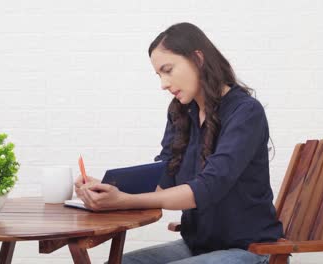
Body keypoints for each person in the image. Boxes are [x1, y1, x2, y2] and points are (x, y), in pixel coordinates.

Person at [75, 22, 284, 264]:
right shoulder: (181, 113)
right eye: (159, 74)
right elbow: (163, 182)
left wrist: (125, 200)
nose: (163, 83)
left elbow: (208, 188)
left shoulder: (245, 112)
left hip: (250, 250)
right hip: (198, 247)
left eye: (168, 70)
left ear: (197, 58)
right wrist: (108, 189)